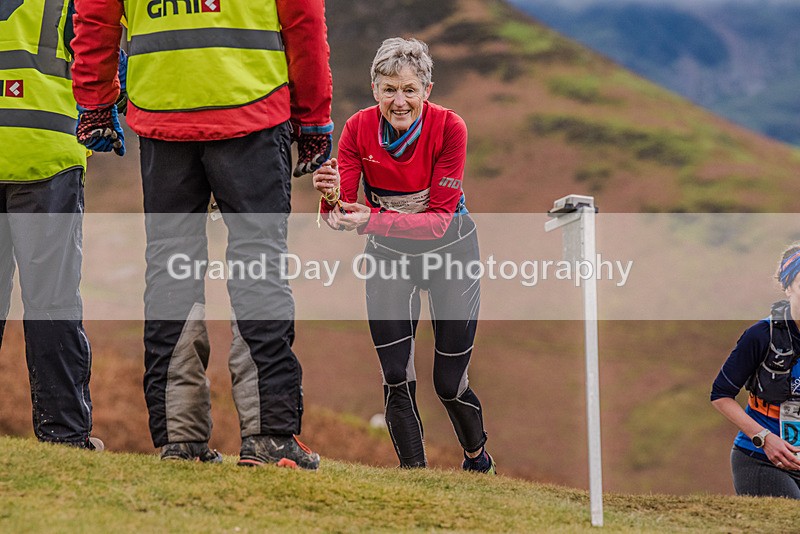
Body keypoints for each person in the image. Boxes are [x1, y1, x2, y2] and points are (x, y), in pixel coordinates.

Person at [71, 0, 333, 469]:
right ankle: (268, 437)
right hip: (252, 114)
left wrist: (95, 103)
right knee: (259, 271)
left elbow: (95, 15)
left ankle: (181, 438)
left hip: (163, 117)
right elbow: (304, 21)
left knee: (171, 274)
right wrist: (312, 117)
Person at [313, 37, 495, 473]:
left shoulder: (450, 128)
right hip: (389, 255)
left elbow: (438, 222)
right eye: (389, 89)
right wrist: (329, 197)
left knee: (449, 384)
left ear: (426, 91)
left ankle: (477, 460)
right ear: (374, 89)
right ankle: (415, 477)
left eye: (410, 90)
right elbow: (343, 214)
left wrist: (372, 218)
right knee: (396, 376)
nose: (399, 101)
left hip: (450, 251)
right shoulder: (357, 129)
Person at [0, 0, 107, 450]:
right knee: (51, 303)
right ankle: (63, 435)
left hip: (44, 161)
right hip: (46, 160)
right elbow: (101, 63)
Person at [711, 242, 800, 497]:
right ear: (787, 287)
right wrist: (764, 438)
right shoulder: (761, 335)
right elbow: (720, 395)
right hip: (763, 460)